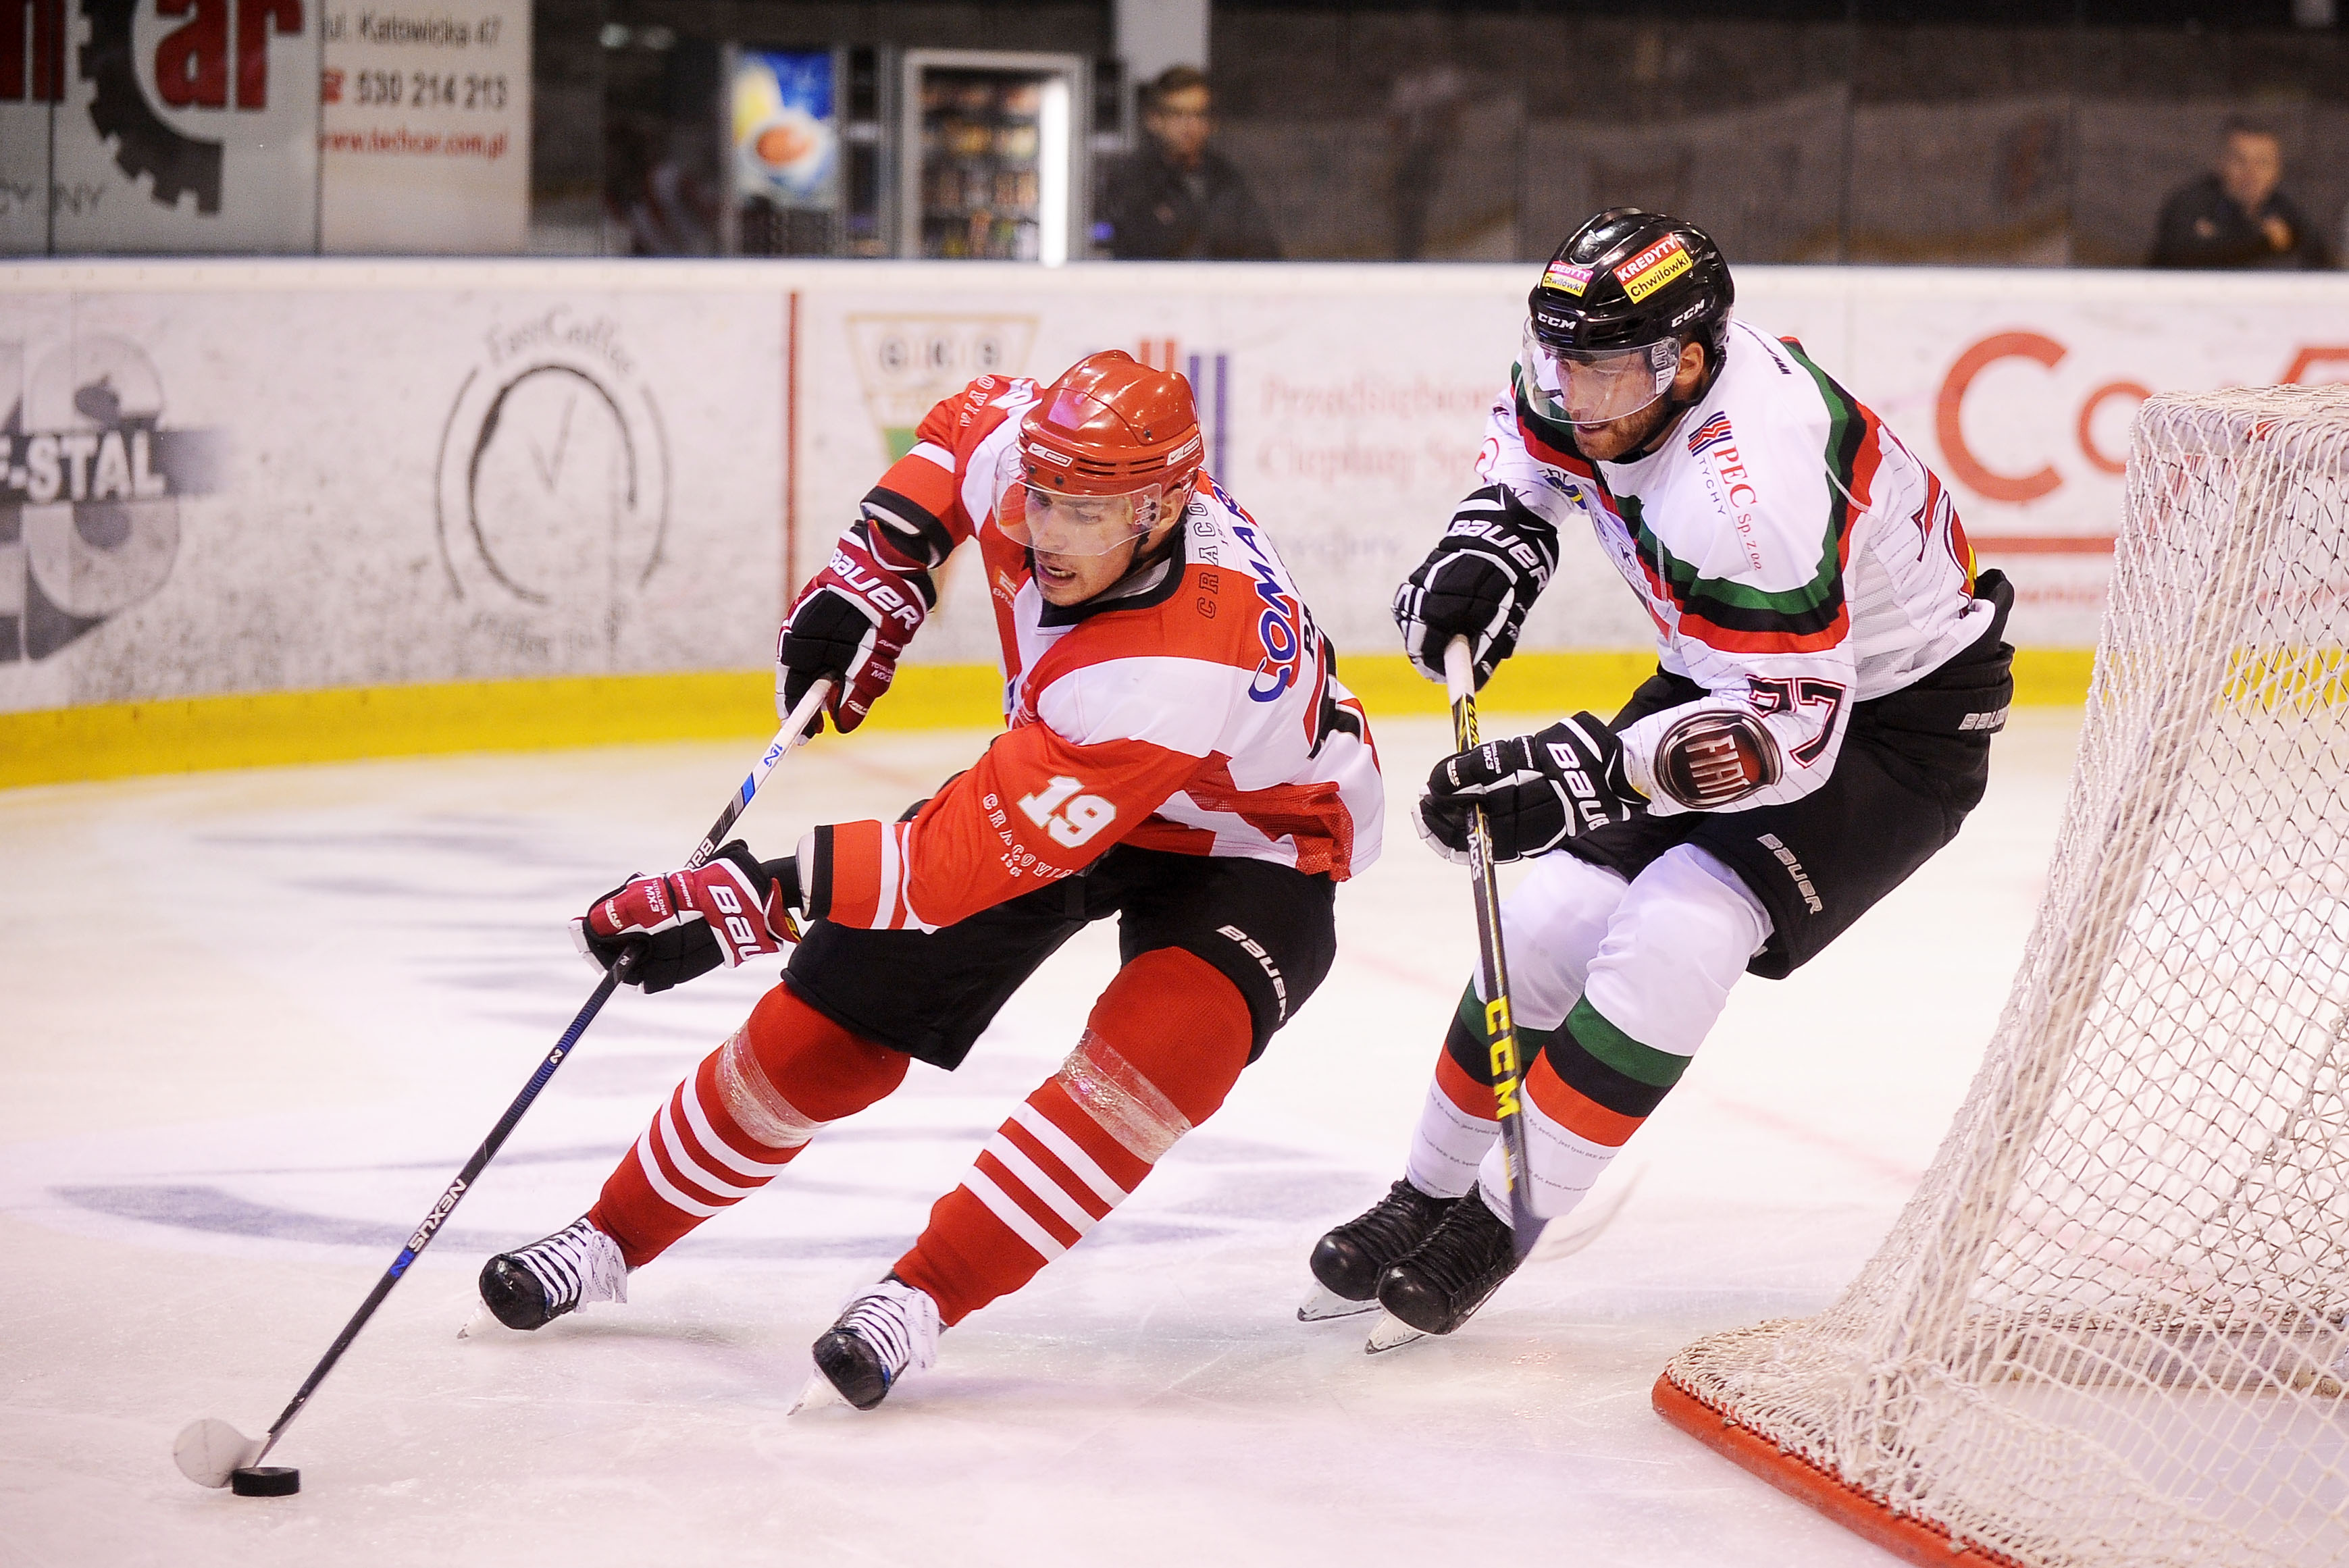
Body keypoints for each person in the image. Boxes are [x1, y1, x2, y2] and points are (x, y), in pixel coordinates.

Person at [475, 351, 1383, 1411]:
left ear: (1162, 509)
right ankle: (608, 1235)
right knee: (827, 1029)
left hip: (1257, 841)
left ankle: (921, 1296)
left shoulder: (1171, 667)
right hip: (1068, 765)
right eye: (1039, 496)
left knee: (1158, 1055)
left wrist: (753, 897)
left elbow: (950, 869)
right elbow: (963, 420)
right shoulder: (1045, 469)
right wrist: (881, 565)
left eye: (1084, 513)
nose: (1047, 532)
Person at [1304, 209, 2016, 1341]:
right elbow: (1527, 446)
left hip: (1893, 723)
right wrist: (1494, 536)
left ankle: (1499, 1220)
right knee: (1545, 922)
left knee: (1679, 927)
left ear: (1683, 363)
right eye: (1559, 359)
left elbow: (1790, 736)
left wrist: (1585, 776)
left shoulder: (1748, 498)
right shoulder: (1596, 377)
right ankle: (1423, 1195)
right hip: (1736, 670)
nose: (1571, 393)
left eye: (1600, 371)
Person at [1097, 65, 1281, 260]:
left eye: (1199, 114)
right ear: (1154, 119)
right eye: (1177, 114)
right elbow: (1123, 249)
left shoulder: (1225, 178)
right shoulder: (1133, 179)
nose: (1189, 125)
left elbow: (1263, 250)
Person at [2149, 119, 2332, 271]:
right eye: (2240, 161)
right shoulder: (2190, 203)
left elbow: (2323, 267)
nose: (2251, 173)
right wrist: (2262, 243)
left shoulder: (2285, 210)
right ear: (2220, 163)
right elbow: (2184, 256)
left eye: (2263, 163)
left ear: (2278, 170)